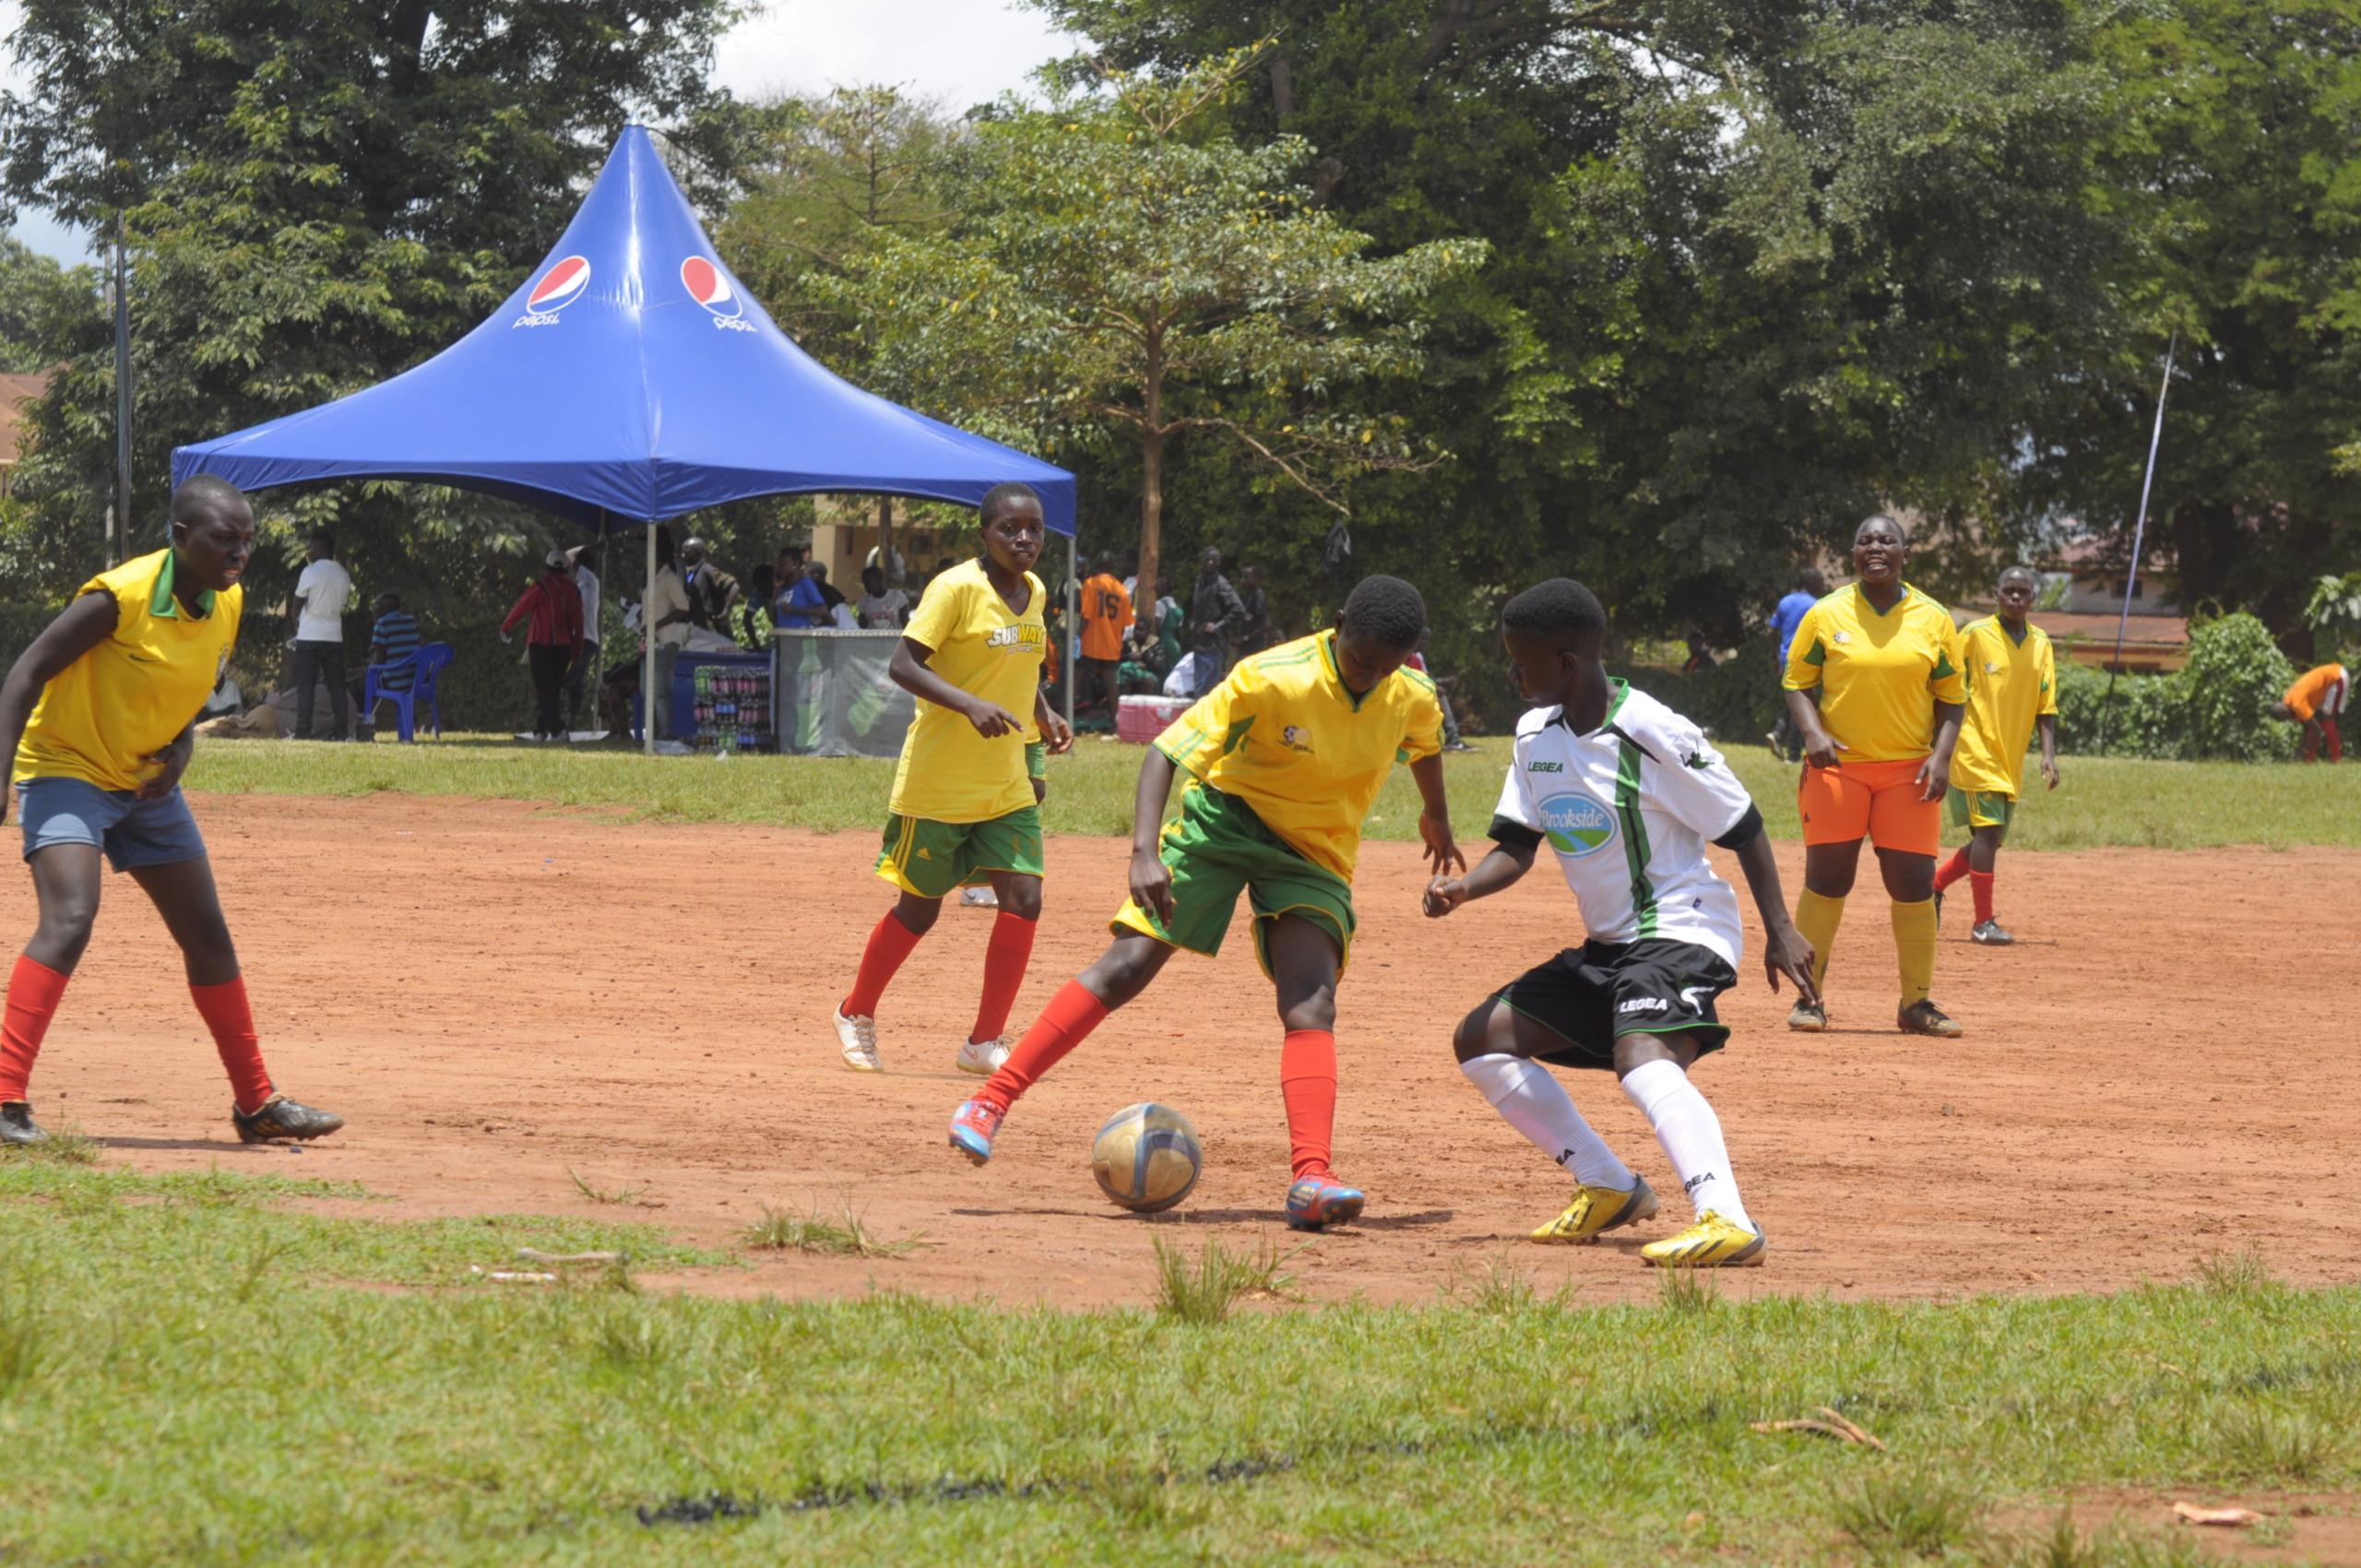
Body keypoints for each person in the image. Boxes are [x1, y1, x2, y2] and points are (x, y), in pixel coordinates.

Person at [946, 575, 1460, 1232]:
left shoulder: (1409, 692)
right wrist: (1144, 852)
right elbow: (1167, 751)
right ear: (1338, 625)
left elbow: (1424, 745)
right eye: (1361, 662)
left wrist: (1437, 814)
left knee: (1312, 1000)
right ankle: (990, 1101)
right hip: (1224, 824)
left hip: (1313, 851)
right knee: (1128, 965)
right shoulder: (1271, 678)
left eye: (1387, 667)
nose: (1370, 677)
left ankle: (1312, 1177)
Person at [1424, 578, 1816, 1267]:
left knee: (1643, 1059)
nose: (1513, 676)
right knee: (1482, 1039)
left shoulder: (1652, 731)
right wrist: (1464, 888)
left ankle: (1727, 1218)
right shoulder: (1533, 736)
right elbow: (1517, 845)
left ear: (1567, 662)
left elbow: (1743, 824)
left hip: (1685, 929)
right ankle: (1608, 1185)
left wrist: (1780, 928)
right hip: (1611, 946)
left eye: (1521, 662)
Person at [0, 476, 344, 1147]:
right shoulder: (118, 597)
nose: (239, 552)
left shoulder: (227, 599)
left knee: (208, 936)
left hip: (146, 783)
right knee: (70, 920)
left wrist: (182, 748)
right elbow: (24, 675)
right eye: (224, 539)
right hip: (67, 769)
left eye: (247, 540)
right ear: (181, 536)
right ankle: (5, 1101)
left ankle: (256, 1104)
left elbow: (192, 687)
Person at [831, 483, 1076, 1075]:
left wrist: (1043, 714)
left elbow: (1021, 668)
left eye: (1035, 529)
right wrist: (968, 704)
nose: (1024, 539)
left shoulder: (1037, 591)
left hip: (1005, 783)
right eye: (1010, 529)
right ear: (984, 534)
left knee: (1025, 900)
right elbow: (902, 664)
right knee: (919, 912)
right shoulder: (955, 588)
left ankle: (983, 1042)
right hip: (939, 783)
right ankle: (854, 1011)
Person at [1782, 515, 1967, 1038]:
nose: (1875, 547)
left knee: (1913, 885)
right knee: (1828, 880)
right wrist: (1813, 733)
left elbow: (1953, 698)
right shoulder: (1825, 613)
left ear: (1906, 554)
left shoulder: (1934, 618)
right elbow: (1797, 682)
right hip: (1837, 769)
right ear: (1853, 554)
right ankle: (1808, 1000)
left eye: (1887, 540)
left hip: (1909, 772)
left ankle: (1916, 1004)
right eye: (1865, 541)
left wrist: (1941, 757)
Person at [1933, 565, 2059, 945]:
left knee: (1990, 840)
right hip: (1974, 749)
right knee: (1988, 833)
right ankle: (1982, 923)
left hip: (2010, 758)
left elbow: (2046, 705)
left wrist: (2049, 755)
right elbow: (1945, 686)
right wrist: (1938, 743)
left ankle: (1933, 885)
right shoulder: (1974, 635)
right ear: (1997, 595)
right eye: (2009, 591)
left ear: (2033, 598)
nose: (2015, 597)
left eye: (2023, 592)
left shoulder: (2042, 643)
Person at [501, 549, 587, 742]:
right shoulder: (574, 590)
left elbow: (521, 606)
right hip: (564, 647)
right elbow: (579, 624)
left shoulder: (540, 586)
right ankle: (540, 731)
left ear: (548, 566)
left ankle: (558, 731)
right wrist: (577, 650)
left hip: (540, 644)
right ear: (566, 568)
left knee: (545, 691)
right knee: (553, 690)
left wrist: (506, 626)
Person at [289, 529, 352, 742]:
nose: (308, 551)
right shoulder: (343, 574)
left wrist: (295, 616)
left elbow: (299, 599)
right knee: (337, 687)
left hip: (309, 636)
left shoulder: (310, 572)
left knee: (306, 686)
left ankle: (303, 732)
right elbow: (343, 603)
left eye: (311, 547)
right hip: (334, 637)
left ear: (323, 548)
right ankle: (342, 733)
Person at [1766, 565, 1828, 758]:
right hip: (1807, 659)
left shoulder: (1785, 601)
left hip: (1785, 658)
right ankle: (1793, 752)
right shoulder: (1816, 605)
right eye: (1820, 582)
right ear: (1812, 583)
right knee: (1804, 702)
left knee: (1795, 697)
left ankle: (1778, 734)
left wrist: (1773, 657)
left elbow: (1772, 630)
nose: (1822, 586)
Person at [645, 526, 693, 742]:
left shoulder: (670, 576)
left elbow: (683, 606)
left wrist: (657, 624)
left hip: (667, 638)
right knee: (647, 688)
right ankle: (653, 733)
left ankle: (663, 735)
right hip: (650, 640)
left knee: (660, 689)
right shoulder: (651, 578)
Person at [1078, 552, 1133, 720]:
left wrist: (1077, 637)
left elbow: (1086, 615)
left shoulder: (1090, 583)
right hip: (1111, 643)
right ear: (1113, 567)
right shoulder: (1121, 589)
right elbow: (1125, 622)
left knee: (1078, 675)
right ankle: (1117, 721)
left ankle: (1065, 717)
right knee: (1110, 680)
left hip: (1091, 641)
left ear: (1097, 565)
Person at [1188, 547, 1249, 688]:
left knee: (1207, 690)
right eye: (1207, 559)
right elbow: (1198, 607)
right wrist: (1193, 621)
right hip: (1199, 644)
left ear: (1219, 563)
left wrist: (1218, 626)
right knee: (1200, 689)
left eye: (1214, 560)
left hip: (1214, 645)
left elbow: (1239, 609)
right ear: (1202, 561)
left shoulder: (1221, 584)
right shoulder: (1200, 582)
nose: (1210, 562)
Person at [363, 591, 421, 731]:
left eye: (377, 605)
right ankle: (411, 721)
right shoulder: (410, 621)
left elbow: (379, 659)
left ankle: (362, 724)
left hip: (394, 681)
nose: (374, 608)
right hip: (413, 680)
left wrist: (367, 669)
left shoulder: (383, 624)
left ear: (387, 607)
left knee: (360, 685)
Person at [2272, 662, 2348, 763]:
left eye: (2286, 718)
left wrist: (2304, 751)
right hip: (2325, 684)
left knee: (2327, 720)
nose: (2289, 720)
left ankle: (2336, 759)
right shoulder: (2288, 702)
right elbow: (2307, 727)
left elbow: (2317, 730)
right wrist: (2300, 749)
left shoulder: (2297, 705)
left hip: (2336, 677)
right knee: (2315, 723)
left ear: (2284, 712)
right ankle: (2308, 760)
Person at [563, 542, 602, 731]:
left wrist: (593, 546)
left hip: (586, 640)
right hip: (579, 639)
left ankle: (554, 721)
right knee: (576, 682)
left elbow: (568, 554)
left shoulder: (591, 582)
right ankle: (570, 724)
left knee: (566, 678)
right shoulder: (579, 587)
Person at [679, 537, 739, 631]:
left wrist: (726, 611)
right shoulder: (692, 573)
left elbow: (734, 586)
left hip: (711, 630)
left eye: (687, 552)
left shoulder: (708, 570)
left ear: (699, 551)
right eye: (683, 552)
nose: (683, 556)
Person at [775, 554, 831, 630]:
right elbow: (772, 617)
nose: (779, 569)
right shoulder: (783, 588)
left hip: (800, 634)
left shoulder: (806, 583)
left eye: (783, 565)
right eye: (778, 565)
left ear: (795, 564)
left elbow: (823, 611)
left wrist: (794, 610)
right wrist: (776, 589)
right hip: (782, 635)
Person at [730, 565, 777, 650]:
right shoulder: (758, 591)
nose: (763, 592)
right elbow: (747, 619)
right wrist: (756, 645)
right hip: (778, 636)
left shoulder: (785, 588)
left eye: (765, 588)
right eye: (760, 589)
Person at [1234, 564, 1274, 661]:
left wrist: (1245, 638)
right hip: (1245, 649)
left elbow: (1266, 625)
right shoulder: (1247, 597)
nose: (1242, 580)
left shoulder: (1258, 597)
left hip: (1255, 649)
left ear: (1257, 579)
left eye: (1246, 577)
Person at [857, 564, 909, 629]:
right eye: (864, 583)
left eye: (868, 582)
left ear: (879, 580)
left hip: (895, 635)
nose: (866, 586)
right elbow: (862, 627)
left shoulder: (897, 596)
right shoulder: (864, 601)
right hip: (873, 636)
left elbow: (906, 624)